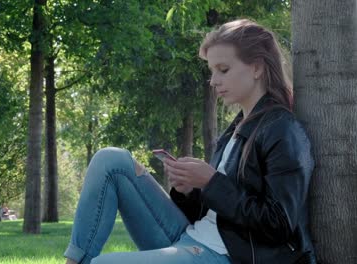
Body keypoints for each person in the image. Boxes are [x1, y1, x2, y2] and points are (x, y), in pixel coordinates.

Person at [64, 19, 316, 264]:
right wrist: (187, 191)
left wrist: (211, 181)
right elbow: (214, 214)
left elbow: (279, 223)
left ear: (257, 68)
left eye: (223, 70)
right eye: (212, 71)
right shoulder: (236, 128)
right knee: (111, 160)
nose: (214, 81)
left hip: (225, 255)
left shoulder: (282, 130)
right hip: (191, 238)